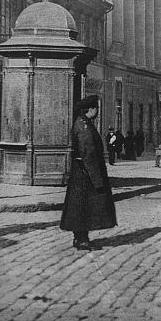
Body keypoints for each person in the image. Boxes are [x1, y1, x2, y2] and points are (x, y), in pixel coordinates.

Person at [60, 95, 117, 251]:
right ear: (91, 109)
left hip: (81, 174)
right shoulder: (84, 127)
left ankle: (79, 237)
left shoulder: (82, 123)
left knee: (80, 207)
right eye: (96, 108)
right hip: (85, 175)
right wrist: (97, 180)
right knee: (85, 207)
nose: (97, 111)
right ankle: (82, 240)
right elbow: (89, 155)